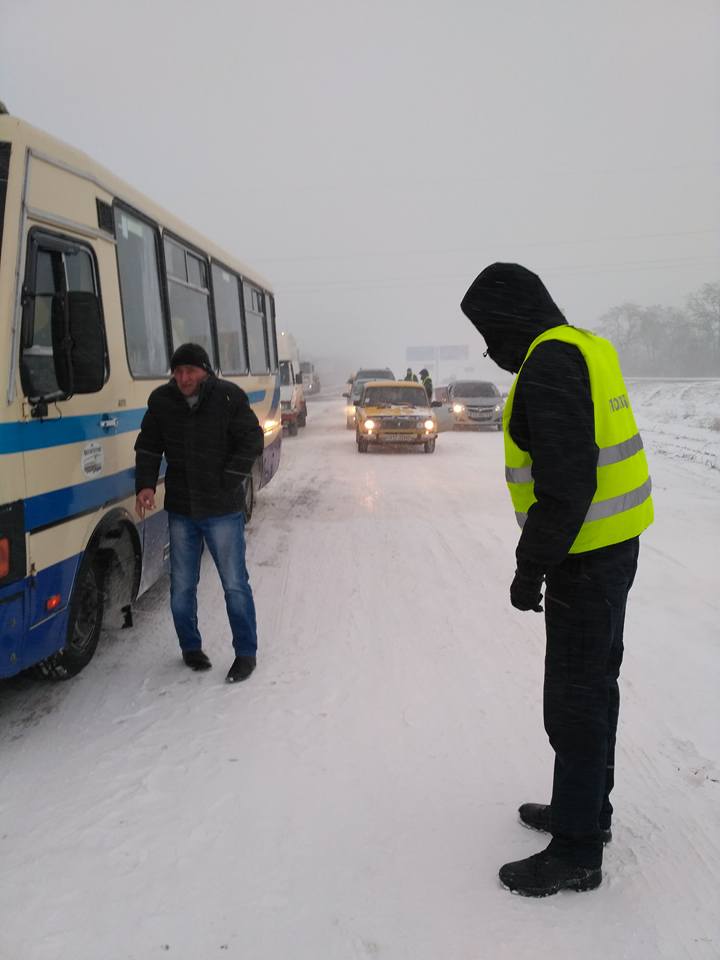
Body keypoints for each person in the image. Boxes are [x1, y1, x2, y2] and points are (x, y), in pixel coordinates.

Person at [460, 263, 653, 897]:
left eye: (489, 331)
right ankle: (586, 810)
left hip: (584, 558)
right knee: (595, 687)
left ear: (512, 319)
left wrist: (529, 568)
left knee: (573, 700)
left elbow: (567, 486)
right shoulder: (585, 346)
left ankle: (575, 851)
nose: (490, 349)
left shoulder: (547, 366)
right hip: (610, 548)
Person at [135, 343, 264, 684]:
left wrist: (230, 479)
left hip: (222, 509)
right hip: (181, 509)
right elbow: (148, 446)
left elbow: (252, 439)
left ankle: (246, 654)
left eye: (190, 371)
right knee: (181, 586)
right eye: (178, 372)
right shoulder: (162, 402)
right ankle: (190, 648)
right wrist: (145, 485)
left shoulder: (228, 398)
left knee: (234, 584)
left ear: (205, 371)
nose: (183, 378)